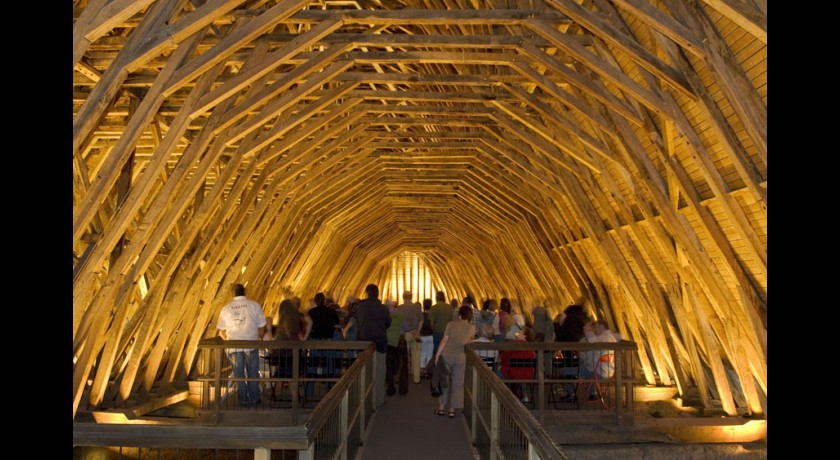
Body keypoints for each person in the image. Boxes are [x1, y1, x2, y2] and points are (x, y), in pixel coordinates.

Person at [216, 283, 266, 406]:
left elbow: (221, 330)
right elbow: (261, 327)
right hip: (251, 344)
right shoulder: (254, 305)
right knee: (252, 372)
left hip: (234, 346)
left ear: (232, 293)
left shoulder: (226, 308)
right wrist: (257, 337)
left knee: (239, 373)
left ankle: (243, 399)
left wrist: (228, 339)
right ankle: (254, 397)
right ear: (245, 292)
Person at [434, 304, 475, 418]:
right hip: (460, 356)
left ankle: (441, 408)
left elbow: (444, 340)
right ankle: (452, 410)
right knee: (458, 383)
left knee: (444, 381)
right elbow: (469, 342)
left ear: (459, 315)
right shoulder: (472, 328)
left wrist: (437, 355)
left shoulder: (451, 324)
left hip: (447, 355)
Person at [355, 283, 391, 408]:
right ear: (378, 293)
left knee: (364, 372)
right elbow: (388, 323)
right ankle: (379, 399)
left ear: (366, 293)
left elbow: (359, 322)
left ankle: (364, 400)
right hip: (380, 342)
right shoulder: (384, 308)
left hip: (364, 342)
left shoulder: (360, 307)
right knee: (380, 371)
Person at [578, 320, 619, 399]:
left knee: (568, 370)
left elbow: (590, 359)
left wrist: (588, 332)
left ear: (601, 326)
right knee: (587, 367)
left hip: (600, 372)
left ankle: (571, 394)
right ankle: (592, 393)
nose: (594, 329)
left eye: (595, 326)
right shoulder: (610, 337)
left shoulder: (602, 338)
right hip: (609, 371)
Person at [398, 291, 424, 384]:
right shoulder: (417, 307)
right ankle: (416, 379)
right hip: (415, 333)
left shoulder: (400, 308)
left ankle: (403, 378)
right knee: (416, 357)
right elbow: (421, 320)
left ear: (403, 297)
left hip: (405, 334)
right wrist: (417, 331)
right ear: (411, 297)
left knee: (403, 357)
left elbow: (399, 323)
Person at [385, 300, 409, 395]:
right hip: (400, 341)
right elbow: (407, 327)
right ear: (395, 306)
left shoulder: (385, 315)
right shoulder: (401, 314)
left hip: (388, 342)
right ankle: (402, 389)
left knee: (389, 366)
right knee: (402, 365)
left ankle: (391, 389)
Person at [429, 291, 452, 356]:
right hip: (448, 333)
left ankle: (438, 364)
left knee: (437, 352)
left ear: (436, 298)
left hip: (437, 332)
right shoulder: (450, 307)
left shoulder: (433, 308)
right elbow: (451, 321)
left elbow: (431, 323)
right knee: (446, 352)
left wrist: (432, 330)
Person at [418, 299, 435, 379]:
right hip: (431, 336)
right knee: (429, 354)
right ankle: (428, 372)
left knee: (422, 354)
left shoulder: (421, 315)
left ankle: (421, 371)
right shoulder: (432, 315)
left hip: (422, 336)